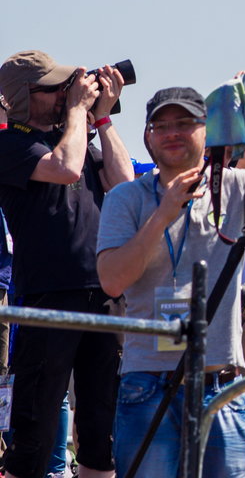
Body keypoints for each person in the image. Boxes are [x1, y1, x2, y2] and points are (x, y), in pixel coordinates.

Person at [96, 86, 245, 477]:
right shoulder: (126, 198)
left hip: (220, 384)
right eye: (160, 126)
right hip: (148, 382)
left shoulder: (232, 185)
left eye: (183, 123)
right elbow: (112, 282)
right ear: (147, 136)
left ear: (206, 130)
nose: (171, 133)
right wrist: (162, 214)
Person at [0, 50, 134, 478]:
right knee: (35, 431)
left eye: (66, 85)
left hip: (106, 294)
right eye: (54, 87)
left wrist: (104, 119)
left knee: (102, 432)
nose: (64, 93)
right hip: (49, 297)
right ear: (24, 95)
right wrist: (77, 109)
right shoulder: (11, 143)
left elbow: (125, 183)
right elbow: (66, 168)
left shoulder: (78, 134)